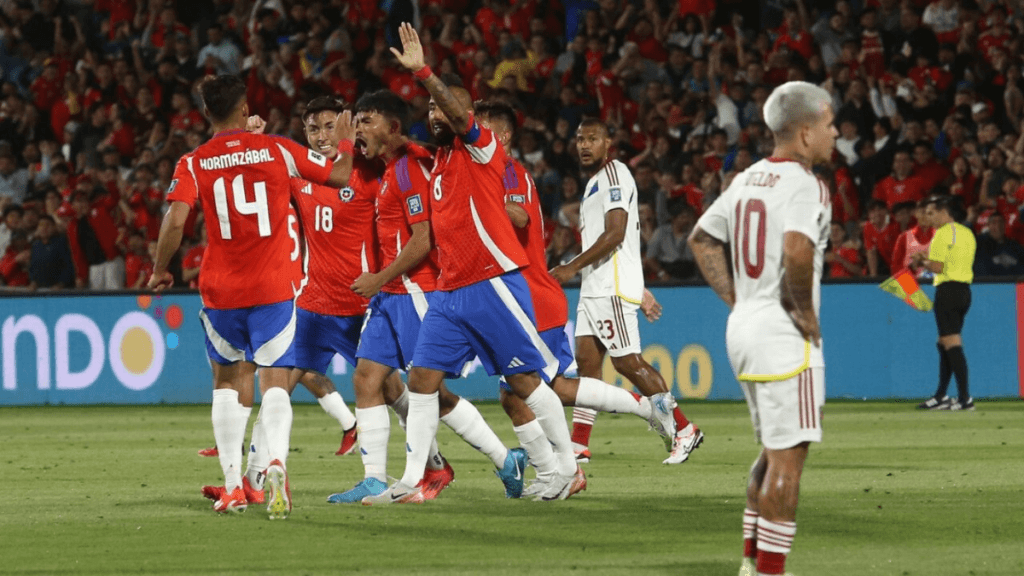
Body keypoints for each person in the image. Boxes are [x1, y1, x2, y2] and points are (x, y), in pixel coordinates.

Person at [364, 23, 575, 504]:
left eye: (444, 106)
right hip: (450, 290)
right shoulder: (438, 163)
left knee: (525, 380)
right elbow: (406, 145)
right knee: (421, 379)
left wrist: (423, 73)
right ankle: (413, 480)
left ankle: (563, 468)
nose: (437, 112)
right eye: (432, 108)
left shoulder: (483, 149)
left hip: (493, 281)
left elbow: (460, 114)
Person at [147, 74, 353, 518]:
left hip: (221, 290)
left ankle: (231, 487)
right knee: (274, 380)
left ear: (206, 114)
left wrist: (161, 269)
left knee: (227, 382)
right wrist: (349, 142)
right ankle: (275, 463)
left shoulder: (194, 161)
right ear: (245, 109)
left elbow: (176, 218)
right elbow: (339, 173)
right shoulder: (277, 149)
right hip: (273, 288)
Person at [476, 100, 678, 498]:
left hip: (530, 294)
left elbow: (520, 218)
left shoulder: (509, 173)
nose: (473, 138)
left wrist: (475, 204)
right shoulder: (497, 175)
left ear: (501, 136)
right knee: (516, 394)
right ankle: (558, 471)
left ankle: (634, 417)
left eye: (480, 130)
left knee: (548, 385)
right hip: (505, 294)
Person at [332, 91, 514, 503]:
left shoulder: (409, 170)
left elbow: (424, 238)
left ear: (393, 127)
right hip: (390, 295)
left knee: (434, 393)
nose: (359, 129)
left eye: (368, 120)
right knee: (366, 378)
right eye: (357, 120)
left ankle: (505, 458)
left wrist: (380, 277)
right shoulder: (392, 166)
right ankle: (375, 477)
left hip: (416, 289)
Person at [688, 81, 836, 576]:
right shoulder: (805, 184)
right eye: (831, 124)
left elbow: (702, 239)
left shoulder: (747, 178)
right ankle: (772, 571)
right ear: (806, 132)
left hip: (745, 327)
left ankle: (752, 565)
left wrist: (740, 301)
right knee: (789, 461)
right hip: (781, 334)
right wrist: (805, 315)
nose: (836, 133)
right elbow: (798, 249)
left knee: (773, 454)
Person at [551, 118, 703, 466]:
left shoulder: (616, 173)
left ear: (608, 144)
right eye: (579, 138)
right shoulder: (593, 183)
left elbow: (616, 234)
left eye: (592, 138)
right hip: (594, 288)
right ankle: (579, 445)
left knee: (627, 361)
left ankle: (683, 428)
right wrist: (642, 286)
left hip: (610, 287)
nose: (584, 145)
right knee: (588, 366)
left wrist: (572, 266)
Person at [912, 195, 977, 411]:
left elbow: (938, 268)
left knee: (951, 343)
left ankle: (965, 398)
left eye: (931, 213)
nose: (928, 217)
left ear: (943, 212)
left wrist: (921, 261)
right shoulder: (967, 232)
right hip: (964, 291)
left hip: (947, 290)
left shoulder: (941, 234)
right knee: (944, 343)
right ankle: (941, 396)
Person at [28, 214, 74, 290]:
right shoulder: (35, 245)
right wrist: (33, 282)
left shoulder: (62, 243)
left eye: (47, 225)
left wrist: (61, 284)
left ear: (54, 227)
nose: (44, 228)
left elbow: (68, 266)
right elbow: (32, 267)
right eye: (41, 225)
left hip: (59, 290)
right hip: (39, 289)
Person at [973, 211, 1024, 276]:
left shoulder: (1014, 246)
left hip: (1014, 284)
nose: (998, 226)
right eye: (994, 222)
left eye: (1000, 222)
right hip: (986, 284)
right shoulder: (980, 244)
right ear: (988, 225)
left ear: (1005, 225)